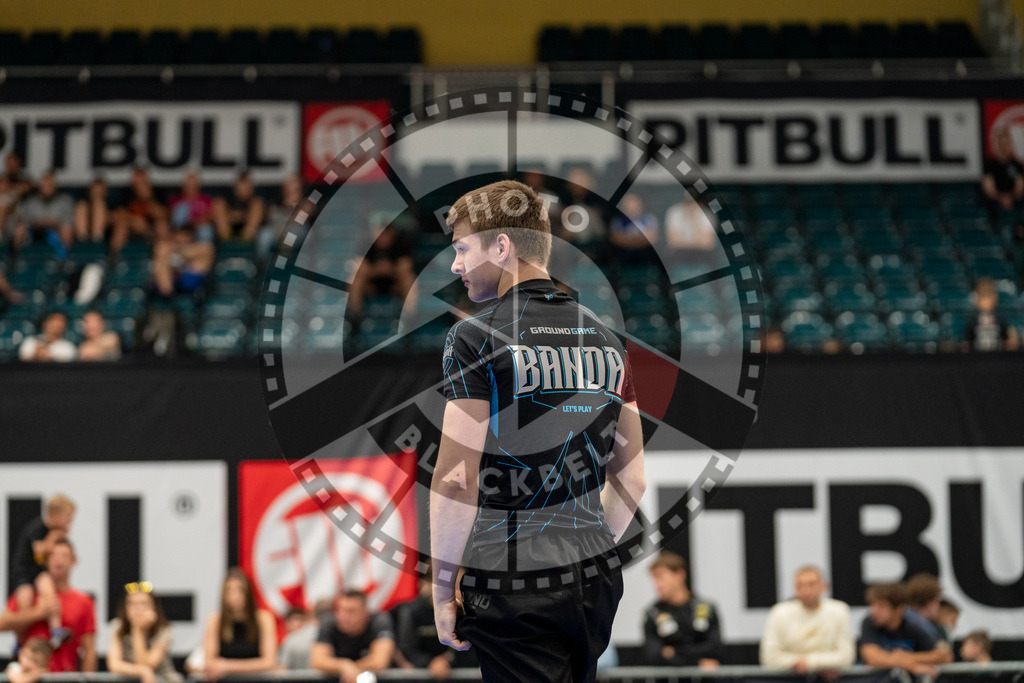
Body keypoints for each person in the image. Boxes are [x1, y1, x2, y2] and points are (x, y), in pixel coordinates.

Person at [430, 179, 646, 683]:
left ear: (501, 246)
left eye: (462, 249)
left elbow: (455, 479)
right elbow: (632, 480)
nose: (455, 265)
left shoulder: (472, 336)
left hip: (510, 573)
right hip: (594, 577)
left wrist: (443, 591)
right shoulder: (608, 340)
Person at [0, 539, 97, 673]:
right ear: (45, 561)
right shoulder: (28, 596)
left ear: (74, 560)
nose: (59, 560)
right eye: (53, 556)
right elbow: (2, 623)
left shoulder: (84, 602)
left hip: (64, 677)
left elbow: (89, 649)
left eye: (64, 556)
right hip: (28, 676)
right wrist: (38, 613)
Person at [9, 494, 76, 646]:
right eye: (68, 518)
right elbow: (39, 553)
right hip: (24, 573)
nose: (69, 523)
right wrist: (53, 538)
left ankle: (56, 630)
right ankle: (20, 642)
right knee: (24, 603)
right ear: (56, 516)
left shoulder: (51, 531)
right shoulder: (38, 527)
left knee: (50, 595)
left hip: (38, 572)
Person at [760, 566, 855, 672]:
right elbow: (769, 658)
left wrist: (810, 663)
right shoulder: (779, 613)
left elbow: (846, 657)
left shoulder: (839, 611)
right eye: (800, 586)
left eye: (811, 584)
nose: (806, 591)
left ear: (824, 586)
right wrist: (821, 666)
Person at [641, 551, 723, 669]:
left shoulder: (706, 608)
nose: (657, 585)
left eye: (660, 577)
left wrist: (673, 651)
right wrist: (697, 664)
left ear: (679, 575)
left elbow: (715, 648)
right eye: (654, 579)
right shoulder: (652, 613)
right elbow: (654, 655)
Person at [859, 582, 952, 675]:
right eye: (872, 605)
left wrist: (907, 657)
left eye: (881, 606)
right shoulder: (869, 622)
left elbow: (945, 656)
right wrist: (910, 665)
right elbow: (871, 657)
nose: (873, 611)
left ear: (899, 609)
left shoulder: (915, 624)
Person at [201, 568, 277, 679]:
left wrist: (227, 665)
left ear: (248, 593)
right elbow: (209, 662)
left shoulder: (264, 619)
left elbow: (269, 662)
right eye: (229, 591)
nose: (235, 596)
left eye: (240, 590)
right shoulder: (215, 621)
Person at [310, 590, 395, 683]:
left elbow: (380, 661)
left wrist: (351, 668)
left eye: (351, 611)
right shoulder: (328, 623)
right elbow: (318, 661)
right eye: (340, 610)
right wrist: (344, 665)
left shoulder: (379, 621)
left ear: (365, 613)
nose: (344, 616)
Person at [107, 582, 183, 683]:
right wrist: (142, 671)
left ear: (154, 607)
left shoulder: (164, 629)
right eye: (132, 604)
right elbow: (114, 665)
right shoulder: (118, 626)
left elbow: (146, 664)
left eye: (144, 603)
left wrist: (138, 631)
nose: (138, 609)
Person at [347, 222, 417, 323]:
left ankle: (409, 319)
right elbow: (359, 268)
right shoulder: (367, 245)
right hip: (371, 287)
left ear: (392, 234)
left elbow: (406, 267)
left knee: (409, 279)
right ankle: (355, 317)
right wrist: (376, 270)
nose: (383, 237)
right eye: (381, 233)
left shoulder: (400, 244)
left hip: (394, 287)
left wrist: (389, 270)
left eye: (386, 234)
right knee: (355, 279)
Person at [13, 170, 74, 256]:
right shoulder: (31, 201)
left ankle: (64, 260)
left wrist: (51, 224)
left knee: (66, 230)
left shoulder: (65, 201)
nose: (47, 188)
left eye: (50, 185)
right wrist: (40, 223)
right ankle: (16, 259)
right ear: (40, 186)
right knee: (20, 229)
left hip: (56, 232)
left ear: (55, 186)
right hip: (34, 232)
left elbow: (67, 222)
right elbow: (23, 220)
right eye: (44, 185)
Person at [111, 167, 168, 253]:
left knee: (162, 226)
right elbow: (120, 213)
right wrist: (134, 219)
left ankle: (163, 254)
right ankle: (114, 257)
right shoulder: (127, 193)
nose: (140, 184)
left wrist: (147, 199)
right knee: (121, 224)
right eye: (137, 181)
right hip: (132, 227)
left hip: (152, 229)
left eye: (142, 181)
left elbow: (163, 214)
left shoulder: (157, 193)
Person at [963, 278, 1018, 352]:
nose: (986, 302)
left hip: (998, 358)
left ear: (994, 298)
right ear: (977, 300)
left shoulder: (1000, 318)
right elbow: (966, 343)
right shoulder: (972, 319)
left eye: (988, 297)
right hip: (976, 358)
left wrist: (1012, 341)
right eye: (983, 297)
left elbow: (1007, 339)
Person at [663, 193, 717, 267]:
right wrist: (697, 241)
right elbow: (672, 241)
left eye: (694, 203)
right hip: (680, 252)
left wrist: (694, 221)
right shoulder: (674, 212)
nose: (691, 207)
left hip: (700, 252)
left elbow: (708, 243)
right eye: (688, 203)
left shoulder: (706, 214)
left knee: (711, 257)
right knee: (670, 255)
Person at [278, 599, 332, 670]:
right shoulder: (290, 640)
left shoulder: (291, 639)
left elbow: (283, 669)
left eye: (301, 620)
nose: (298, 623)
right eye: (294, 620)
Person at [258, 174, 302, 260]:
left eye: (294, 187)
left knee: (293, 234)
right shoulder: (276, 201)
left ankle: (284, 262)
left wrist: (294, 205)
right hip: (277, 228)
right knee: (264, 235)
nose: (291, 190)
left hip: (297, 229)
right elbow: (270, 217)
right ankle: (262, 264)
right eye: (289, 187)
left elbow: (300, 220)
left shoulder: (306, 202)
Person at [213, 171, 265, 243]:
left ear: (251, 188)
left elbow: (259, 218)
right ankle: (227, 242)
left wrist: (239, 217)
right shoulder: (228, 199)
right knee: (219, 204)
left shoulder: (255, 202)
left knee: (257, 205)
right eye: (241, 187)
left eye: (246, 187)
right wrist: (234, 217)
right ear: (236, 188)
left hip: (250, 233)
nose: (243, 190)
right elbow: (218, 216)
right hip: (228, 231)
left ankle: (245, 243)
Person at [609, 192, 659, 266]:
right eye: (628, 203)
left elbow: (652, 238)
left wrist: (628, 239)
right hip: (624, 253)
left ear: (640, 203)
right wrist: (640, 239)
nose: (631, 206)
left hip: (646, 253)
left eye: (633, 202)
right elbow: (616, 239)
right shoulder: (618, 221)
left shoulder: (649, 218)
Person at [982, 127, 1024, 215]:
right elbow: (988, 188)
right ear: (996, 145)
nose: (1003, 147)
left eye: (1006, 144)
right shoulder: (990, 165)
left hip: (1015, 203)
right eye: (1001, 144)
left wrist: (1011, 197)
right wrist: (1000, 198)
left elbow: (1020, 186)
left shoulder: (1017, 165)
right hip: (995, 205)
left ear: (1010, 144)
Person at [904, 573, 946, 642]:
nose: (939, 607)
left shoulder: (939, 629)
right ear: (928, 605)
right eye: (937, 602)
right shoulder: (933, 632)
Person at [74, 177, 115, 244]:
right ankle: (82, 242)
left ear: (105, 192)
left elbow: (117, 216)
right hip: (82, 234)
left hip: (104, 234)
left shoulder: (113, 204)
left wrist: (106, 217)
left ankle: (97, 241)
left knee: (99, 206)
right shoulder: (84, 206)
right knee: (82, 206)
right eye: (95, 191)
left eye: (100, 192)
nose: (97, 194)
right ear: (90, 192)